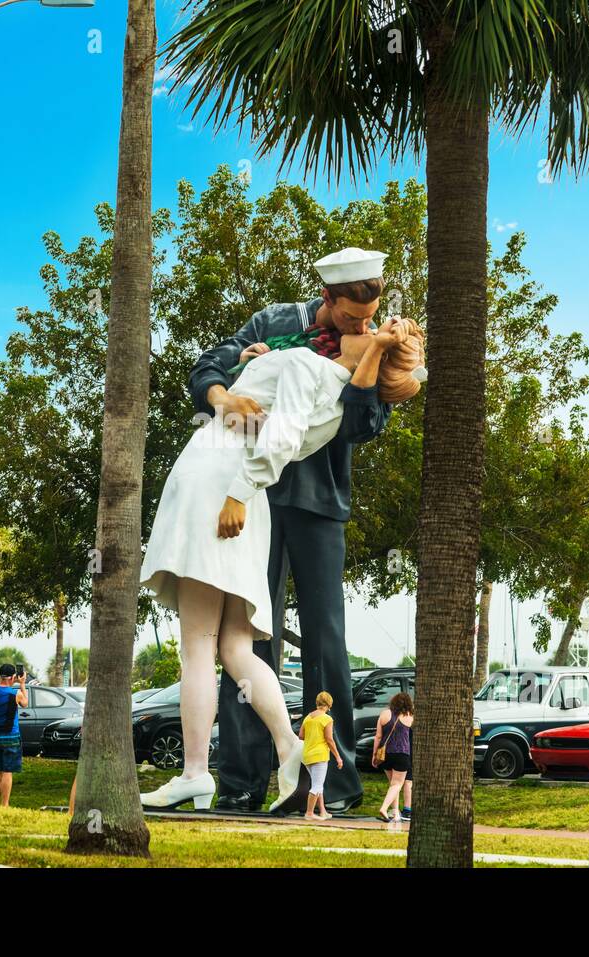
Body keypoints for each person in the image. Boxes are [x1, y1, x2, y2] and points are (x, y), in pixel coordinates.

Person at [138, 300, 425, 813]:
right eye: (357, 318)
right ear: (330, 301)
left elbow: (334, 426)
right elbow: (211, 368)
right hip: (255, 495)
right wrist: (229, 390)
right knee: (238, 648)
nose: (364, 327)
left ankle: (304, 779)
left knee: (301, 639)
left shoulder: (337, 370)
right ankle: (253, 773)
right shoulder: (280, 329)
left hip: (258, 490)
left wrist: (367, 365)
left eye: (371, 324)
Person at [0, 664, 28, 807]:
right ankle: (5, 805)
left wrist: (12, 681)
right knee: (7, 771)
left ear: (0, 675)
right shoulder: (15, 694)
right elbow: (25, 704)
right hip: (11, 737)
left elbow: (1, 688)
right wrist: (21, 684)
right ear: (13, 677)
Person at [370, 692, 414, 823]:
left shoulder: (384, 714)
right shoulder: (409, 716)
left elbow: (377, 736)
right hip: (402, 754)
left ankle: (395, 815)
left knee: (392, 785)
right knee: (397, 784)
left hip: (386, 754)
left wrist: (374, 755)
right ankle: (384, 808)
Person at [299, 691, 343, 820]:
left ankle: (323, 811)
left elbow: (301, 736)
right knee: (317, 786)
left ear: (317, 702)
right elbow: (329, 739)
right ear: (329, 704)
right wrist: (338, 757)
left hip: (307, 755)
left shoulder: (308, 717)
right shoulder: (327, 718)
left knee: (318, 785)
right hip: (320, 755)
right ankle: (309, 813)